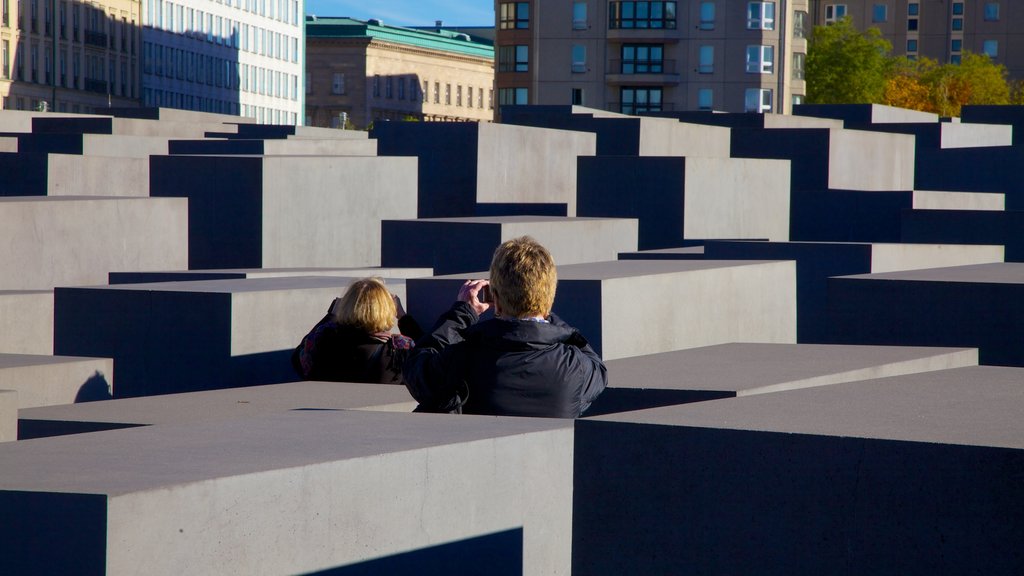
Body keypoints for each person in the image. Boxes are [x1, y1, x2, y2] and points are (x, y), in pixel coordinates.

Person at [403, 236, 607, 418]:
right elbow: (597, 365)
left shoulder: (462, 358)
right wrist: (546, 312)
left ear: (496, 300)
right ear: (549, 298)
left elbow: (416, 371)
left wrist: (462, 313)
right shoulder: (577, 367)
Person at [292, 277, 422, 384]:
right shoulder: (399, 349)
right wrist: (403, 316)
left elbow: (298, 359)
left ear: (346, 305)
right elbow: (426, 354)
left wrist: (332, 314)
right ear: (388, 309)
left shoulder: (324, 340)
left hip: (325, 413)